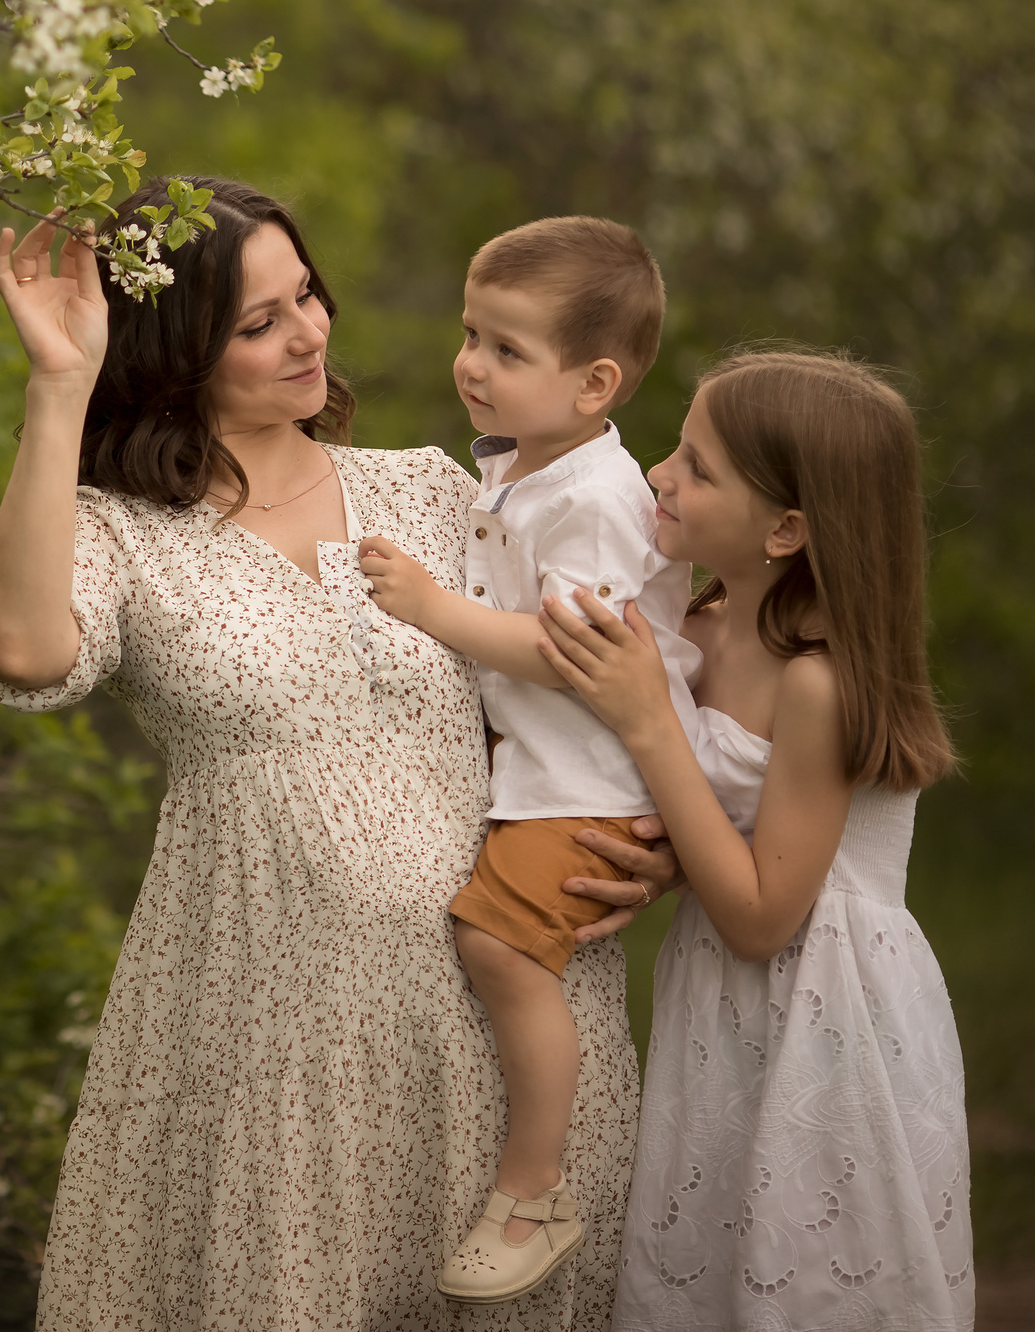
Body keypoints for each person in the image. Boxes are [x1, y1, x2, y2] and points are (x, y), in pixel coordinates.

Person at [0, 177, 675, 1330]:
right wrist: (60, 387)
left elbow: (590, 694)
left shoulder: (436, 489)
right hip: (271, 1043)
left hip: (504, 1029)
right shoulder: (120, 531)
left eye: (306, 296)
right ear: (174, 350)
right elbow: (25, 650)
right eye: (257, 323)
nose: (305, 333)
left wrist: (661, 843)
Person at [532, 350, 974, 1330]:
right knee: (711, 1262)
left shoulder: (818, 680)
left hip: (829, 1015)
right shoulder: (702, 617)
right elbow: (723, 830)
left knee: (807, 1274)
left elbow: (766, 917)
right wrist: (666, 864)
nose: (657, 472)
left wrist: (651, 719)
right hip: (722, 1009)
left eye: (697, 465)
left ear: (785, 528)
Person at [355, 217, 703, 1304]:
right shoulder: (526, 470)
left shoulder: (595, 500)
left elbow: (571, 652)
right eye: (470, 334)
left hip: (590, 780)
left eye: (507, 350)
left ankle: (533, 1185)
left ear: (594, 382)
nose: (470, 364)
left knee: (497, 947)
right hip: (546, 769)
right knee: (489, 942)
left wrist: (429, 606)